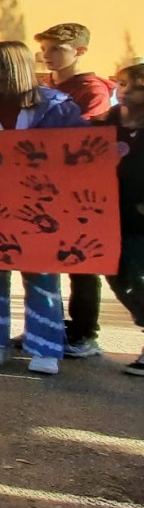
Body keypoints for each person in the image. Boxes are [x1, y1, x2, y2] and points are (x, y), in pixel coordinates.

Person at [0, 40, 87, 375]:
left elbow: (80, 148)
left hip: (42, 203)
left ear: (15, 64)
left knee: (42, 273)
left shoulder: (56, 105)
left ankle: (45, 346)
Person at [34, 23, 118, 361]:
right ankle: (46, 323)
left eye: (56, 49)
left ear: (79, 51)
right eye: (45, 49)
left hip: (80, 190)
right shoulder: (43, 86)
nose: (48, 56)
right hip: (43, 187)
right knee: (41, 258)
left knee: (81, 262)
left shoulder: (92, 89)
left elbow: (82, 134)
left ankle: (85, 333)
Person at [95, 63, 144, 376]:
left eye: (134, 86)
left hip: (139, 221)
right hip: (103, 214)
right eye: (121, 84)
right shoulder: (102, 124)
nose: (123, 91)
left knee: (140, 278)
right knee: (118, 278)